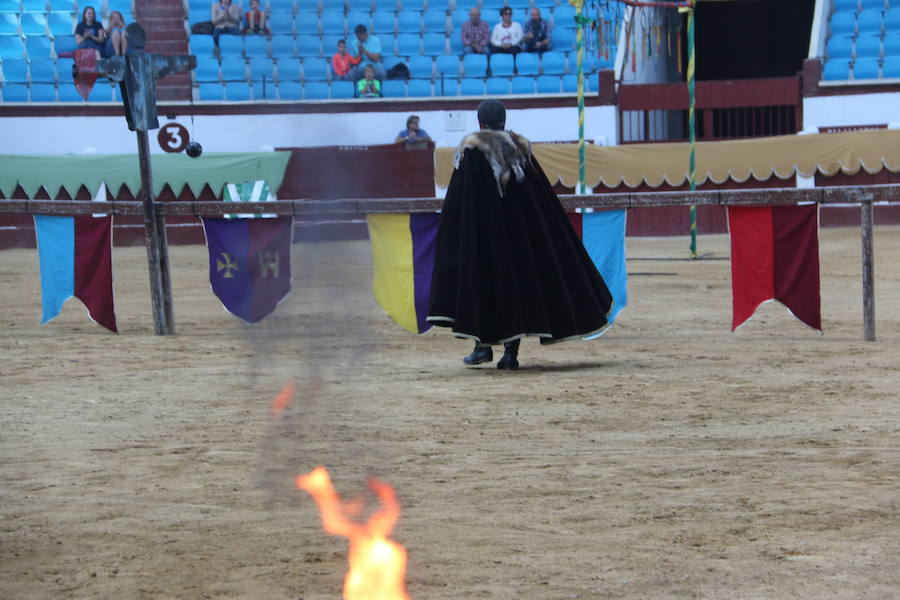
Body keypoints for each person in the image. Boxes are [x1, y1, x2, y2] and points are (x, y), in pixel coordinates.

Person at [427, 100, 613, 370]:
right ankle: (509, 354)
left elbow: (460, 201)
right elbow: (541, 201)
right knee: (517, 288)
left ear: (480, 123)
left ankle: (482, 346)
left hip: (483, 238)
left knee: (484, 286)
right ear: (505, 120)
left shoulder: (471, 152)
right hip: (520, 238)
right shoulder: (521, 151)